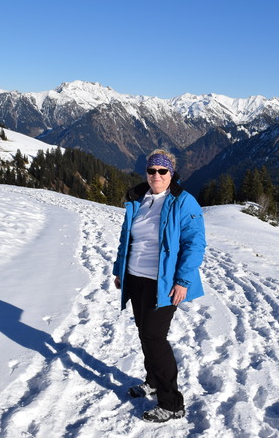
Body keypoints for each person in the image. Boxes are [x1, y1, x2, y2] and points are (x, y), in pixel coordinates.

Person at [112, 149, 206, 423]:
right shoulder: (138, 199)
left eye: (162, 171)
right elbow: (126, 238)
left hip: (163, 282)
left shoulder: (183, 202)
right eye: (151, 170)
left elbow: (195, 244)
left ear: (171, 173)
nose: (156, 176)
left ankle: (172, 403)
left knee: (154, 337)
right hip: (136, 277)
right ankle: (152, 380)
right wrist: (120, 270)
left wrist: (183, 280)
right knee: (145, 332)